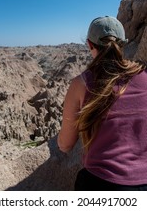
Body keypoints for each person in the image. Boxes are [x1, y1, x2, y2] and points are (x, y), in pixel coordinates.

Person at [57, 16, 147, 191]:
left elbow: (66, 145)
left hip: (102, 184)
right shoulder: (145, 77)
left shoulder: (81, 83)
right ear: (123, 44)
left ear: (90, 45)